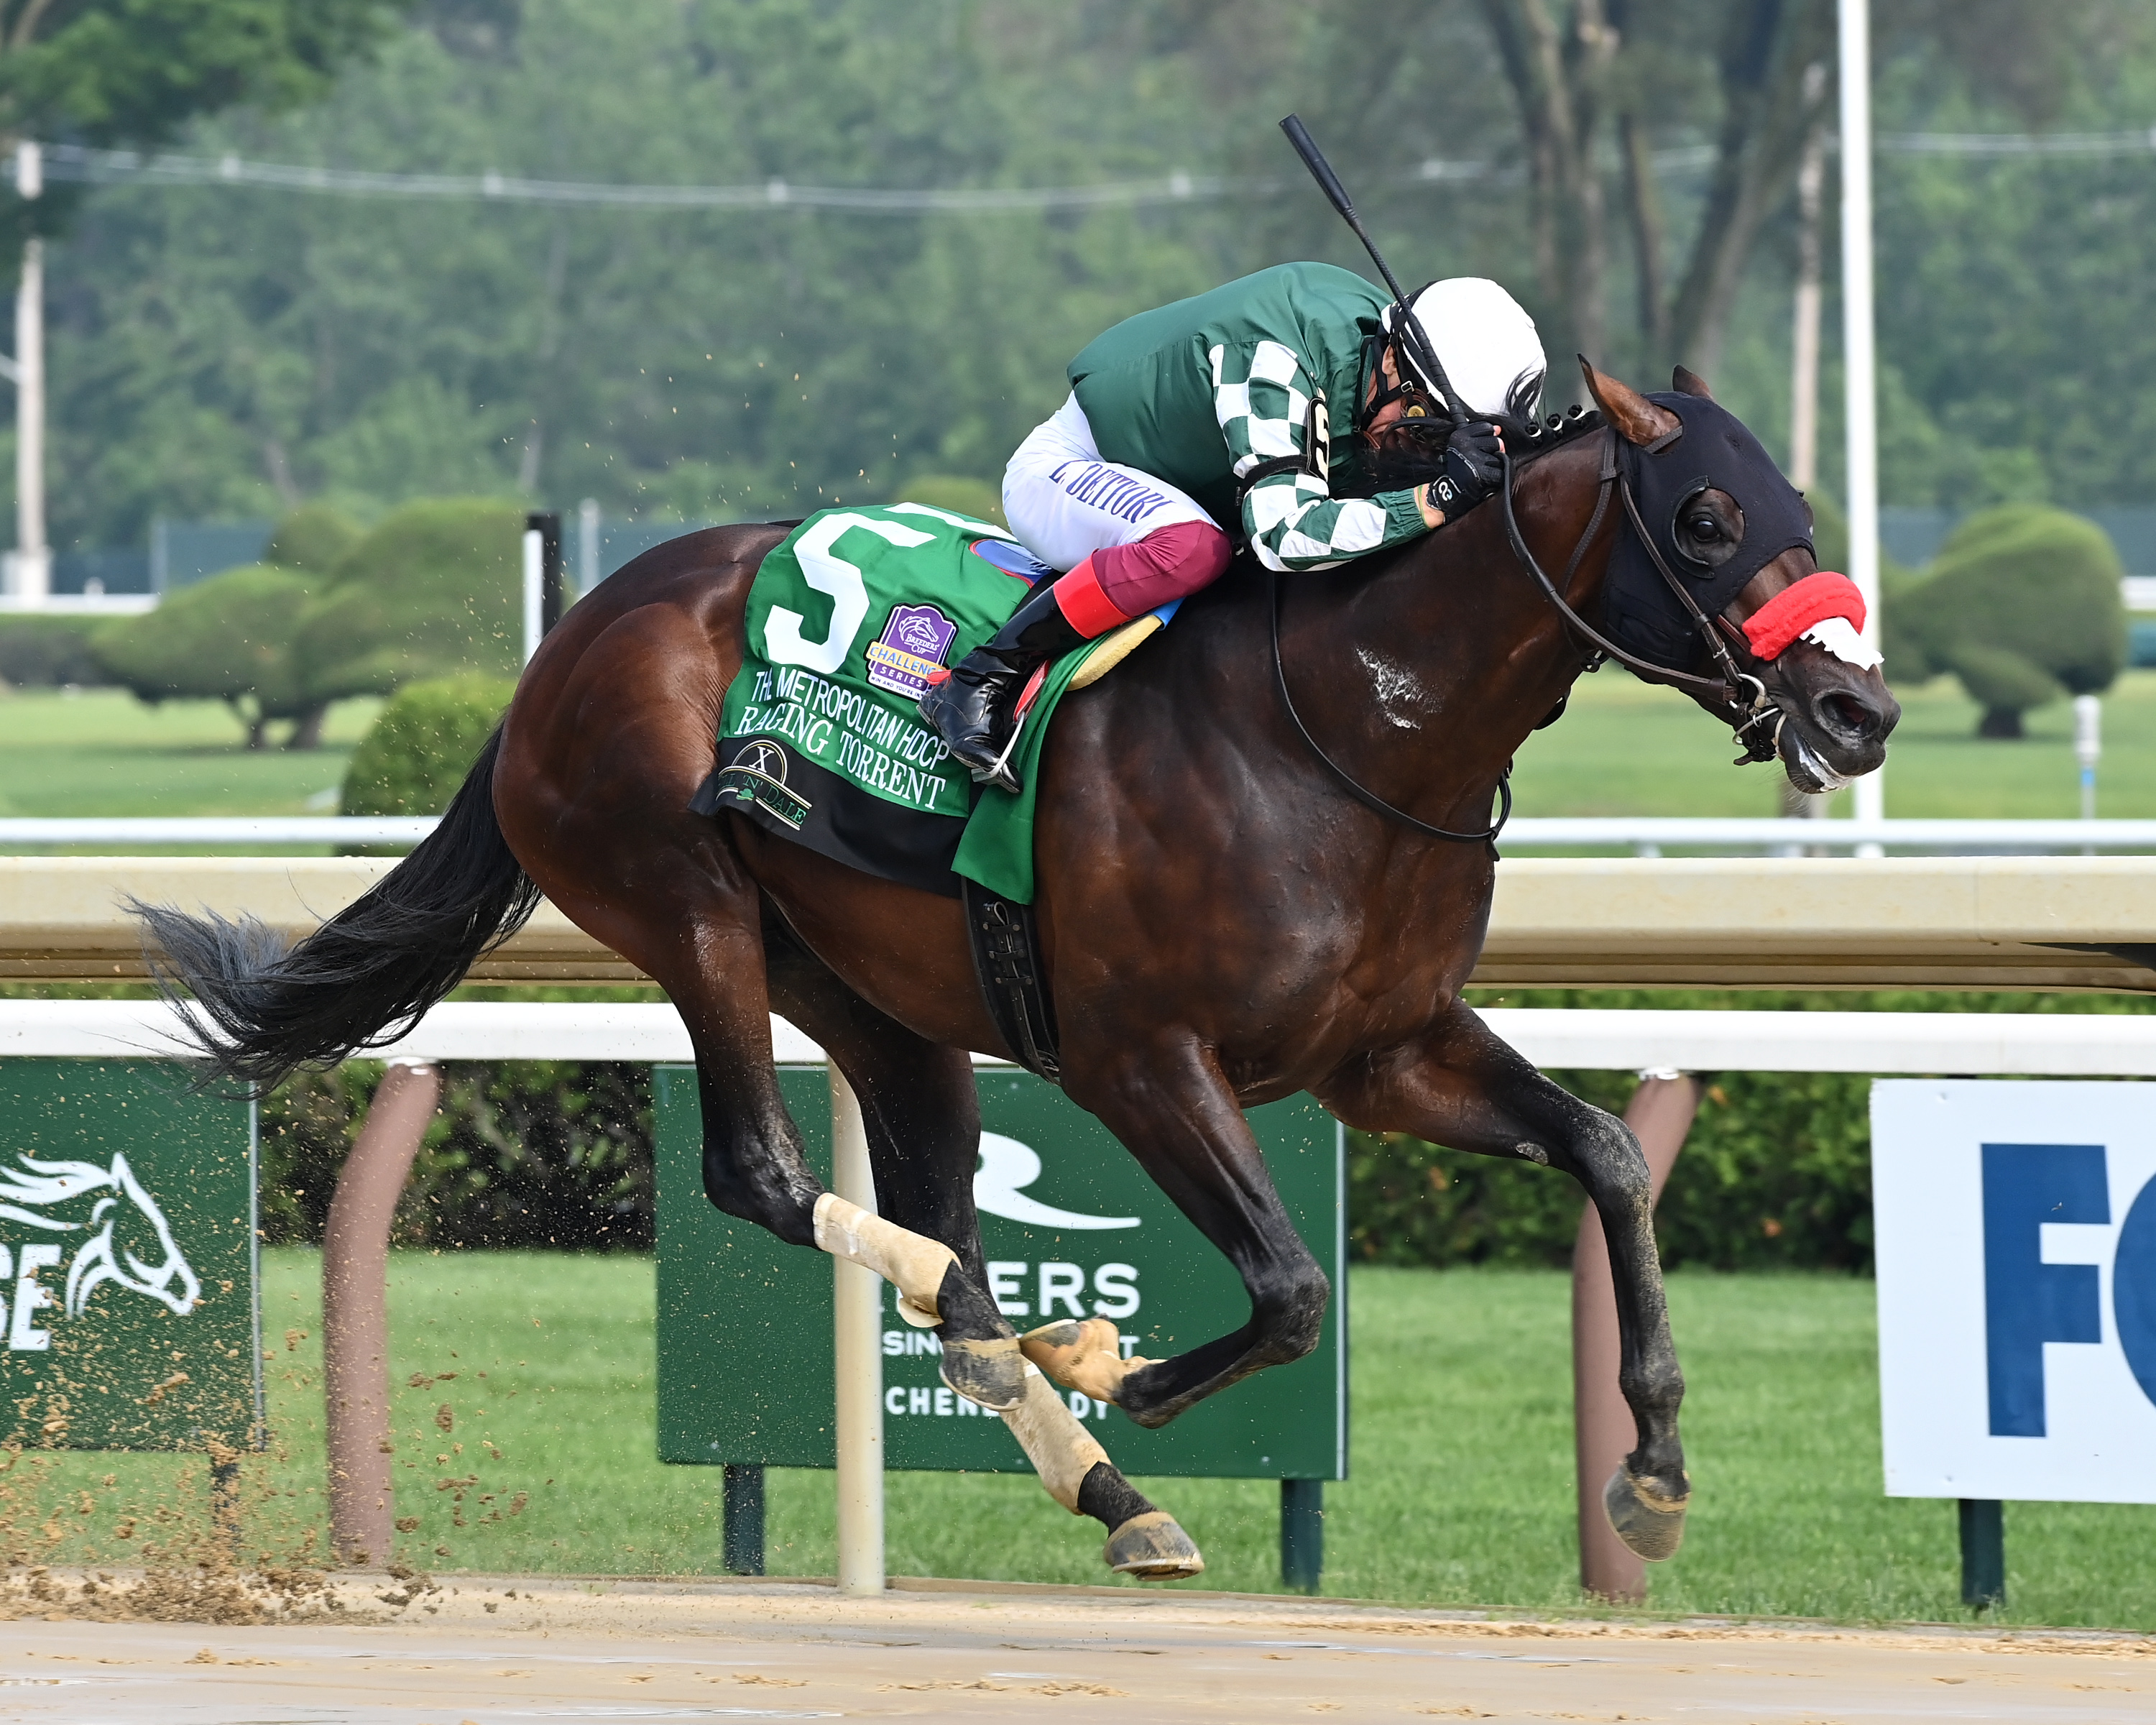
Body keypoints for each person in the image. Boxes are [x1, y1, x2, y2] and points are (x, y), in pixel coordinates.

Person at [918, 262, 1549, 789]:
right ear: (1390, 365)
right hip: (1072, 467)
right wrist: (1435, 499)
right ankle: (979, 678)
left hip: (1194, 493)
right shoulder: (1272, 360)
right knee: (1192, 549)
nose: (1416, 450)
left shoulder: (1384, 358)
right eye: (1418, 424)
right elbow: (1283, 536)